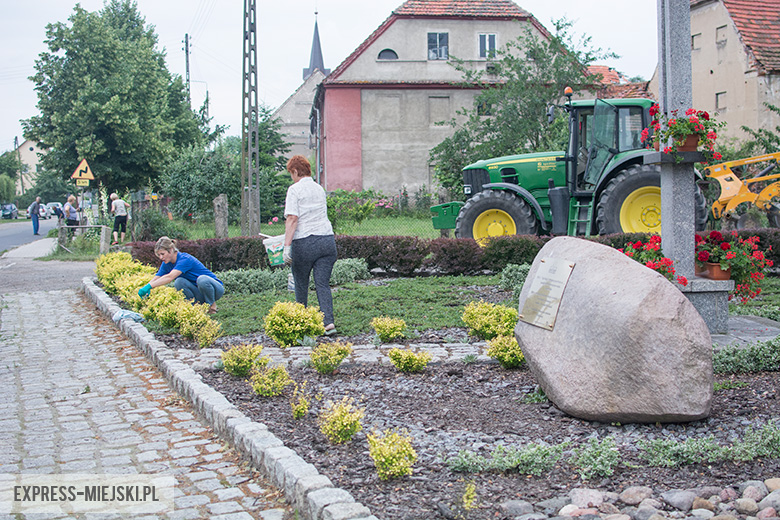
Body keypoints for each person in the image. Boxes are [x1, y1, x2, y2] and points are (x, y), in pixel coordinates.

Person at [283, 155, 337, 335]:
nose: (292, 176)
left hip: (305, 241)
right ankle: (328, 322)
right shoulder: (319, 189)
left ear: (296, 171)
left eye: (292, 173)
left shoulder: (294, 189)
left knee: (301, 283)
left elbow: (292, 218)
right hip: (326, 241)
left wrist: (286, 246)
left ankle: (301, 322)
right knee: (322, 284)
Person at [138, 236, 224, 314]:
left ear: (171, 250)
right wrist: (146, 287)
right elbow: (157, 277)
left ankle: (212, 306)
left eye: (162, 254)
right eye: (159, 255)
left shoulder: (185, 259)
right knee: (179, 282)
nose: (161, 257)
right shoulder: (166, 263)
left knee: (202, 279)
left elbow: (170, 277)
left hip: (215, 289)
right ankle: (194, 308)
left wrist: (150, 286)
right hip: (199, 291)